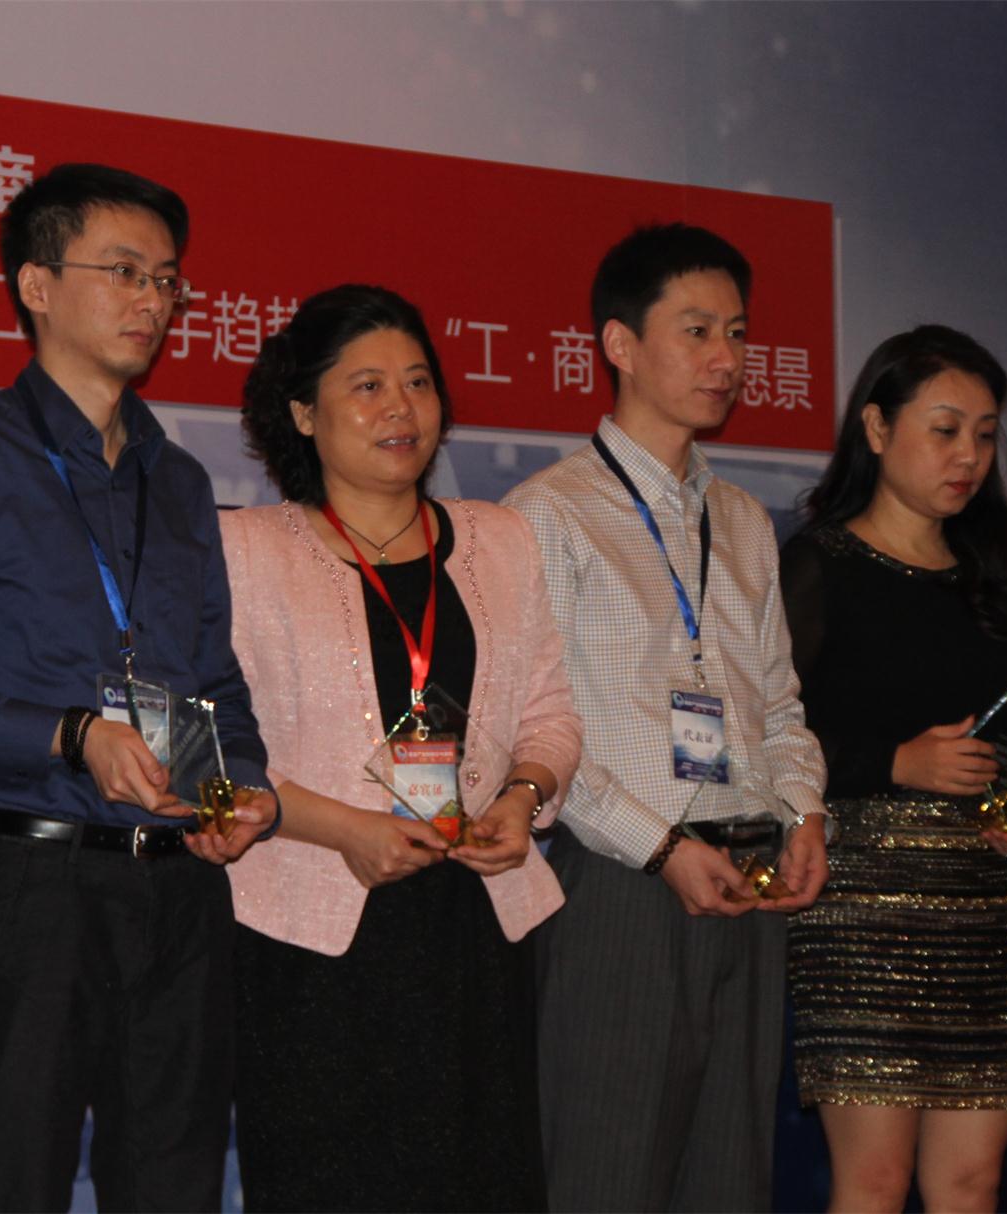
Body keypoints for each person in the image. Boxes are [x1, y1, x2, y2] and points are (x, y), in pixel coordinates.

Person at [0, 162, 278, 1212]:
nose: (152, 300)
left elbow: (215, 674)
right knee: (9, 1181)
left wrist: (245, 784)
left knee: (176, 1184)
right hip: (38, 885)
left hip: (183, 887)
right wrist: (69, 735)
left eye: (167, 279)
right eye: (123, 272)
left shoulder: (179, 478)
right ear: (37, 285)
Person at [223, 284, 582, 1212]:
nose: (401, 409)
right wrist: (345, 828)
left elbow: (550, 714)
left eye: (419, 382)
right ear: (303, 412)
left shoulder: (500, 539)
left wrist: (522, 799)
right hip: (315, 936)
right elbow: (214, 746)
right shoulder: (244, 551)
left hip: (473, 927)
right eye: (368, 386)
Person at [501, 222, 830, 1212]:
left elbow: (779, 703)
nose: (726, 357)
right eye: (696, 330)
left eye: (737, 332)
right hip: (620, 888)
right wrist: (660, 849)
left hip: (750, 880)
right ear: (619, 343)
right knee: (608, 1177)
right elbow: (537, 727)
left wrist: (805, 813)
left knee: (731, 1183)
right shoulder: (549, 513)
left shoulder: (744, 521)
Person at [780, 324, 1007, 1212]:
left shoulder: (1004, 570)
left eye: (984, 433)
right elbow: (772, 734)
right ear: (876, 426)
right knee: (875, 1180)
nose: (967, 454)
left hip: (984, 903)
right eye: (944, 429)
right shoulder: (818, 565)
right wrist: (896, 761)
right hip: (862, 901)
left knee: (972, 1182)